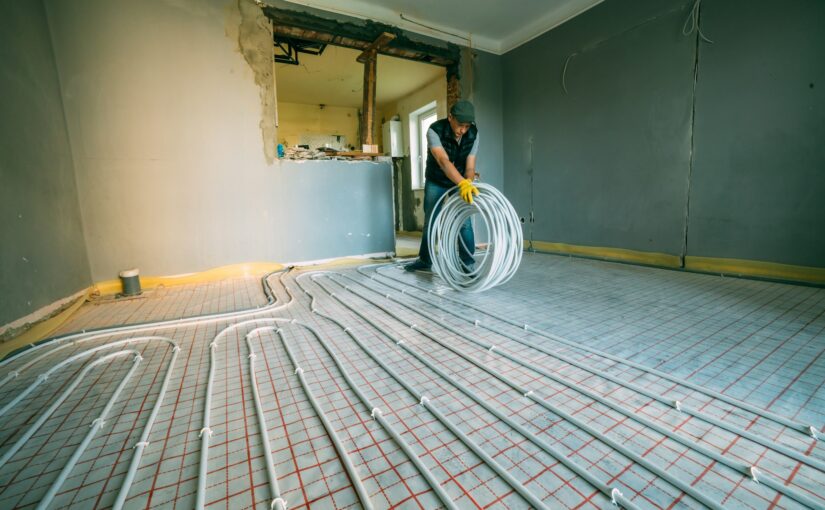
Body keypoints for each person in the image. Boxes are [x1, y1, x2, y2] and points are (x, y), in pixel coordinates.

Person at [405, 99, 479, 272]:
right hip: (437, 180)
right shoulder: (434, 130)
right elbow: (443, 161)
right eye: (460, 125)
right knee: (432, 220)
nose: (463, 130)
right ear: (450, 117)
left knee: (464, 221)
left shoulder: (474, 134)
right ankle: (425, 261)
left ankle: (467, 263)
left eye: (467, 126)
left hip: (459, 180)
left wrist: (467, 182)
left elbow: (470, 165)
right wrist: (462, 182)